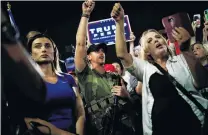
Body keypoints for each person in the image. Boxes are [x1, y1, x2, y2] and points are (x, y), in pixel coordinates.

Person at [111, 3, 208, 135]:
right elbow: (122, 54)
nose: (156, 40)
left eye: (158, 37)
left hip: (198, 125)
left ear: (164, 41)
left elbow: (202, 82)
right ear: (148, 51)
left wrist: (187, 49)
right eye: (150, 41)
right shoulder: (145, 69)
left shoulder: (182, 59)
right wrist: (120, 22)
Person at [75, 1, 135, 134]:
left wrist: (126, 95)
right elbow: (80, 44)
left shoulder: (115, 76)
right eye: (97, 51)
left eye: (103, 51)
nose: (101, 53)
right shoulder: (85, 75)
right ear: (88, 57)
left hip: (123, 126)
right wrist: (85, 15)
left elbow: (130, 103)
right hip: (100, 128)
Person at [24, 31, 85, 135]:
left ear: (54, 51)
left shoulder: (68, 78)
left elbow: (79, 110)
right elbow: (28, 120)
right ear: (31, 54)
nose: (44, 49)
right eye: (38, 46)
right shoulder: (27, 82)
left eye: (48, 46)